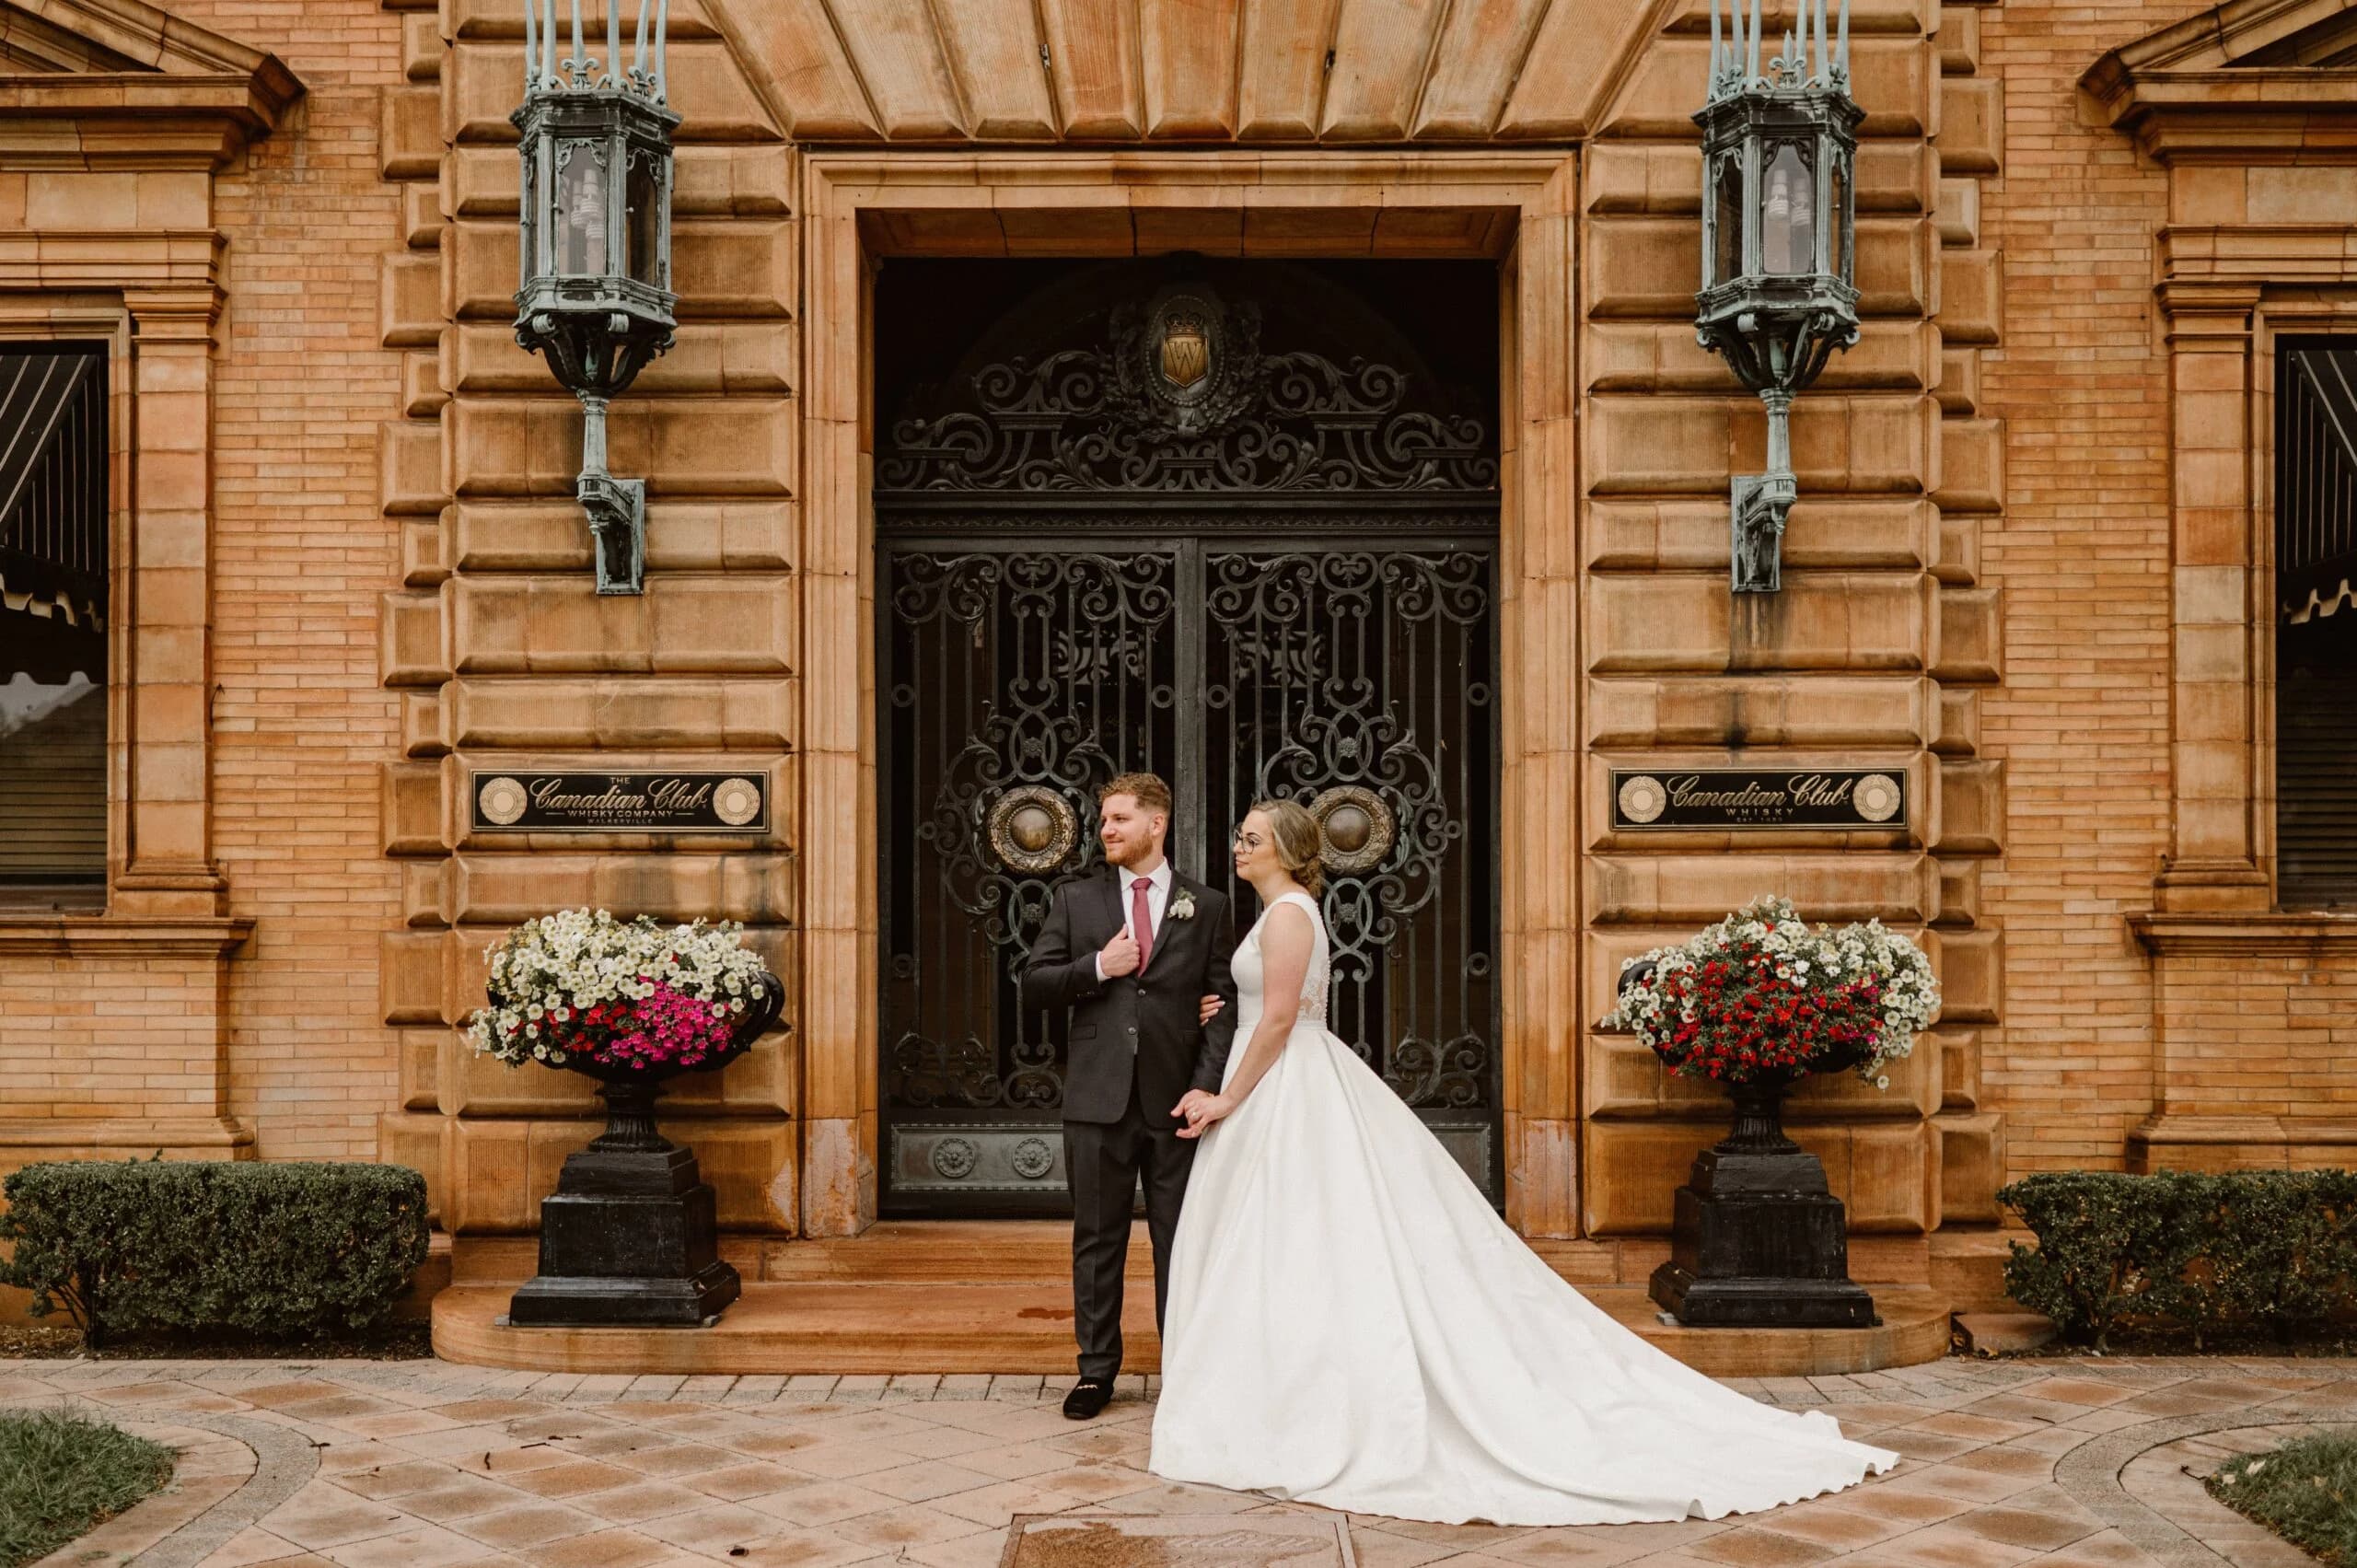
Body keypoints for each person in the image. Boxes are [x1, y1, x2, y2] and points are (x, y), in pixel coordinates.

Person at [1150, 797, 1900, 1527]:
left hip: (1286, 1082)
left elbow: (1281, 1017)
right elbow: (1266, 1005)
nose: (1239, 847)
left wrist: (1223, 1097)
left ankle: (1299, 1401)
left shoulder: (1286, 914)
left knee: (1301, 1237)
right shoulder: (1281, 914)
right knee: (1290, 1243)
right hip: (1286, 1075)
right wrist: (1232, 1012)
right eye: (1242, 837)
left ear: (1284, 845)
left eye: (1252, 837)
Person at [1020, 772, 1238, 1422]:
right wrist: (1096, 968)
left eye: (1118, 818)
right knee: (1097, 1239)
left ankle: (1186, 1370)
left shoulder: (1209, 905)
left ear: (1156, 824)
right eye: (1104, 819)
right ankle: (1095, 1372)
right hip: (1096, 1100)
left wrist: (1206, 1083)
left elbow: (1223, 1004)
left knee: (1182, 1241)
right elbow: (1034, 983)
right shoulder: (1076, 899)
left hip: (1176, 1103)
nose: (1105, 829)